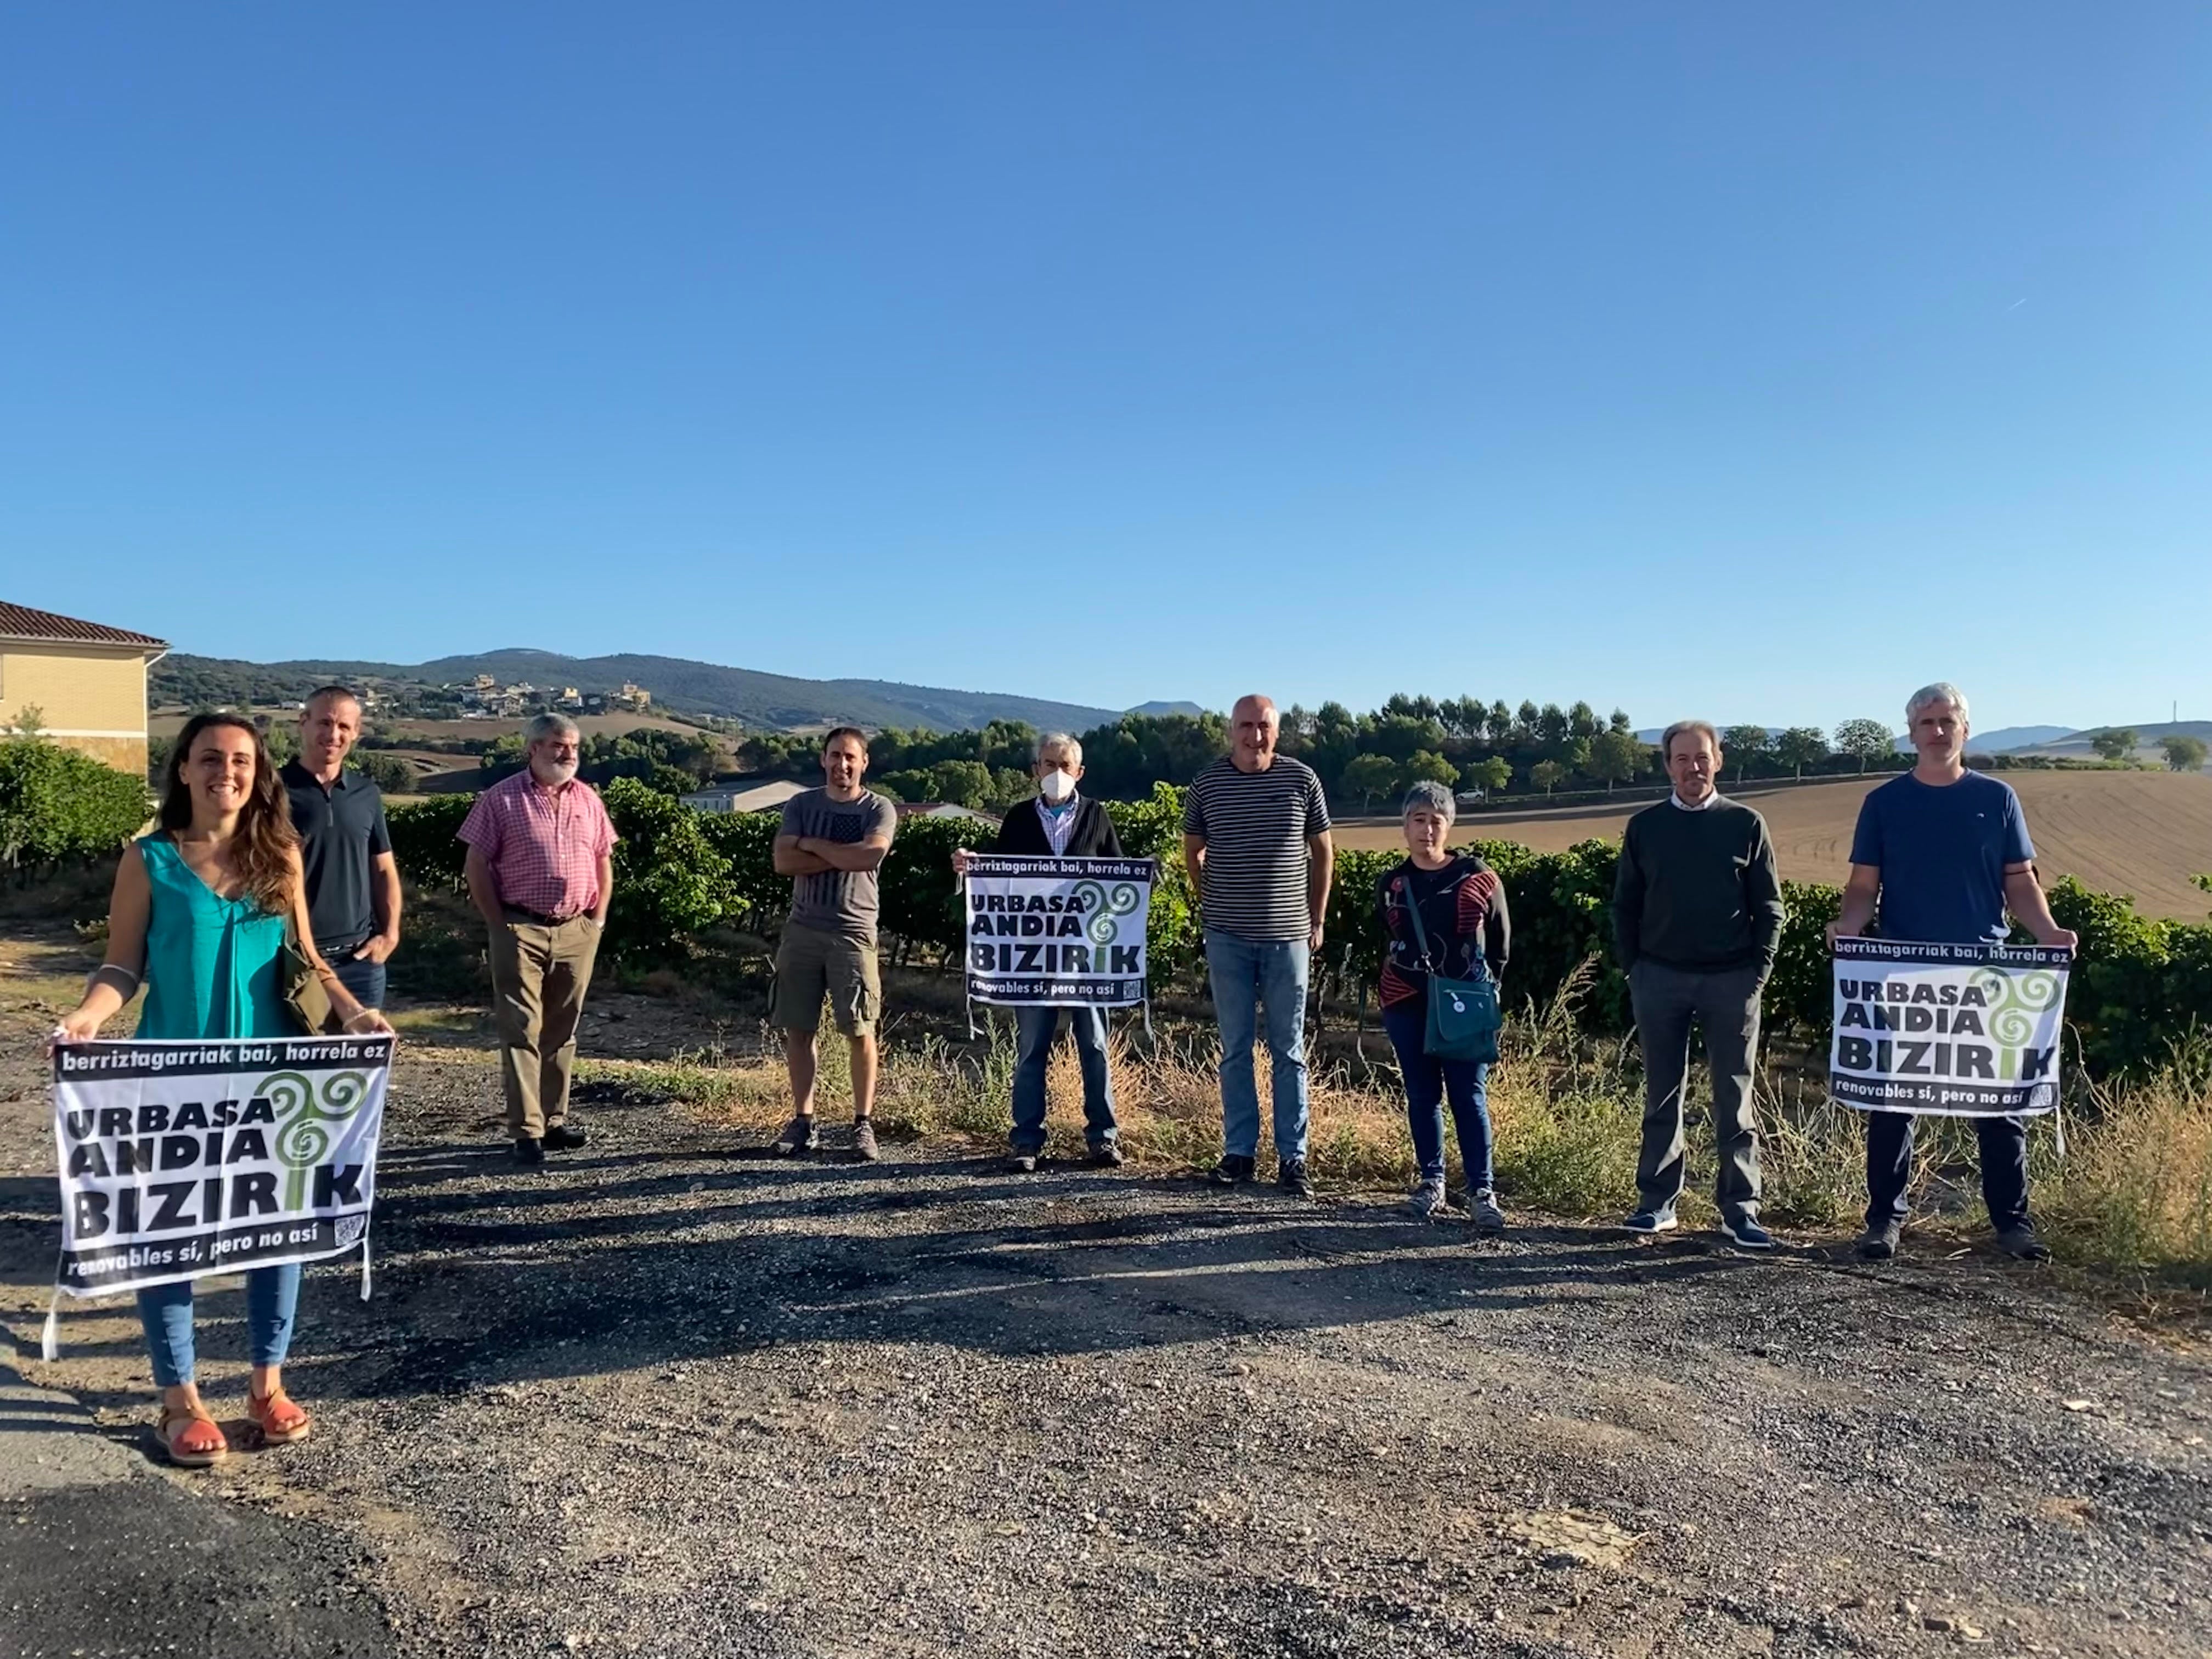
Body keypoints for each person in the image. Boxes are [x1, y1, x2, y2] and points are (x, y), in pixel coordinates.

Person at [51, 712, 391, 1468]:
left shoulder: (282, 855)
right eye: (210, 758)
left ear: (258, 772)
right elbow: (120, 969)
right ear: (183, 769)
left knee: (278, 1232)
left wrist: (356, 1013)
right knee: (169, 1236)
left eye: (241, 760)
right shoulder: (149, 860)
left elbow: (311, 963)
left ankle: (266, 1386)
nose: (225, 772)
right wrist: (85, 1019)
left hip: (273, 1081)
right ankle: (180, 1400)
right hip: (171, 1083)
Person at [1829, 682, 2078, 1263]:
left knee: (1999, 1106)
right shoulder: (1885, 803)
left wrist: (2048, 931)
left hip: (1985, 976)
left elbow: (2020, 881)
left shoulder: (1999, 798)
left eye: (1948, 721)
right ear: (1911, 733)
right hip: (1904, 973)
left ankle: (2013, 1225)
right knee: (1892, 1102)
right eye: (1927, 723)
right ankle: (1883, 1222)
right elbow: (1865, 886)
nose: (1938, 731)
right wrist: (1850, 928)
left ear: (1965, 729)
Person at [1611, 720, 1787, 1249]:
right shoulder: (1645, 827)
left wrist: (1758, 973)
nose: (1693, 768)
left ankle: (1740, 1210)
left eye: (1702, 758)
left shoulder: (1747, 824)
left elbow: (1770, 906)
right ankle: (1657, 1203)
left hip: (1732, 981)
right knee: (1662, 1094)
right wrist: (1633, 969)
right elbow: (1626, 904)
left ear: (1719, 761)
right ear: (1667, 765)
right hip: (1659, 978)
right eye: (1682, 759)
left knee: (1734, 1098)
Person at [952, 733, 1127, 1173]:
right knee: (1031, 1049)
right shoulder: (1017, 818)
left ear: (1080, 772)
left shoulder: (1097, 816)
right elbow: (1000, 877)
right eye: (1049, 765)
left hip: (1087, 958)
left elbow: (1117, 876)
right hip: (1032, 956)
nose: (1056, 774)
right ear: (1035, 770)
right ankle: (1027, 1140)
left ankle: (1103, 1138)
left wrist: (1140, 878)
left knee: (1095, 1045)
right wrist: (972, 864)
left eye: (1065, 766)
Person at [1182, 695, 1334, 1199]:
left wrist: (1317, 918)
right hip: (1227, 938)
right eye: (1245, 726)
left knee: (1288, 1050)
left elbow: (1323, 851)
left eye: (1263, 726)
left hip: (1288, 938)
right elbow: (1193, 850)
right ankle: (1240, 1153)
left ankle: (1294, 1159)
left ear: (1277, 730)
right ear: (1232, 730)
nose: (1255, 736)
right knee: (1236, 1049)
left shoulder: (1302, 780)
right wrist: (1214, 904)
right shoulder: (1207, 784)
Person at [456, 713, 617, 1165]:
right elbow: (477, 864)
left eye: (573, 747)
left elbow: (603, 861)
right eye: (556, 746)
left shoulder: (588, 800)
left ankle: (553, 1121)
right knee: (522, 1028)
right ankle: (526, 1130)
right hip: (519, 927)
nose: (567, 754)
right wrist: (497, 923)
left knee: (562, 1031)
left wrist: (597, 921)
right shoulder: (501, 798)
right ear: (532, 749)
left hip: (577, 930)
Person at [1376, 782, 1510, 1227]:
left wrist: (1484, 993)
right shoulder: (1392, 883)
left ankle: (1481, 1190)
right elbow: (1390, 935)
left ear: (1450, 826)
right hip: (1405, 999)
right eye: (1419, 820)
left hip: (1464, 1002)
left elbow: (1501, 946)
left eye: (1436, 821)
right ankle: (1431, 1183)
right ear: (1404, 827)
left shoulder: (1479, 876)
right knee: (1421, 1095)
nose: (1427, 830)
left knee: (1469, 1096)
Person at [769, 727, 898, 1161]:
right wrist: (841, 852)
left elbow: (869, 857)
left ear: (864, 763)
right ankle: (803, 1120)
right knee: (799, 1029)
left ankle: (862, 1124)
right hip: (802, 930)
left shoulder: (878, 808)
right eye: (835, 756)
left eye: (851, 757)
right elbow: (783, 862)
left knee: (860, 1030)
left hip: (854, 932)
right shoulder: (801, 804)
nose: (842, 765)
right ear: (823, 760)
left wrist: (810, 845)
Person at [282, 685, 402, 1011]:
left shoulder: (366, 794)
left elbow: (383, 869)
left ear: (356, 732)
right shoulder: (273, 792)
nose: (333, 734)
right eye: (324, 723)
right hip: (293, 959)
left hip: (360, 961)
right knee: (293, 1060)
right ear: (303, 722)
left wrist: (390, 935)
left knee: (358, 1061)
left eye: (344, 726)